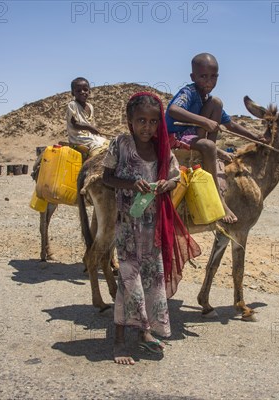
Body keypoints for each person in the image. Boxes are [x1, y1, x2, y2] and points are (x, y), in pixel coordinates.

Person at [103, 92, 201, 365]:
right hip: (127, 226)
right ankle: (119, 341)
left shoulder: (162, 149)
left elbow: (174, 177)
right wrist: (130, 184)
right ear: (130, 121)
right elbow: (107, 177)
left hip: (152, 227)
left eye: (153, 121)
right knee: (128, 281)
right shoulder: (120, 144)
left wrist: (166, 185)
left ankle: (145, 332)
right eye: (141, 121)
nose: (147, 127)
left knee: (151, 279)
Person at [166, 52, 266, 224]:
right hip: (175, 136)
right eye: (203, 76)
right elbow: (173, 110)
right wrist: (204, 121)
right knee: (209, 145)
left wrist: (255, 137)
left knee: (217, 103)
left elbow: (231, 125)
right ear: (193, 76)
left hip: (192, 137)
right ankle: (219, 198)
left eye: (213, 76)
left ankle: (210, 149)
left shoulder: (207, 99)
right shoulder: (188, 91)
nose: (209, 81)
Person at [66, 77, 107, 158]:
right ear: (73, 93)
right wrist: (89, 128)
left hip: (89, 137)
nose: (82, 92)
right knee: (96, 147)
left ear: (89, 91)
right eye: (78, 91)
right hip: (78, 138)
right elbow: (75, 124)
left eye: (85, 89)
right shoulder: (72, 105)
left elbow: (91, 124)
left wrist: (93, 130)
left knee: (109, 143)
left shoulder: (90, 106)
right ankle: (92, 167)